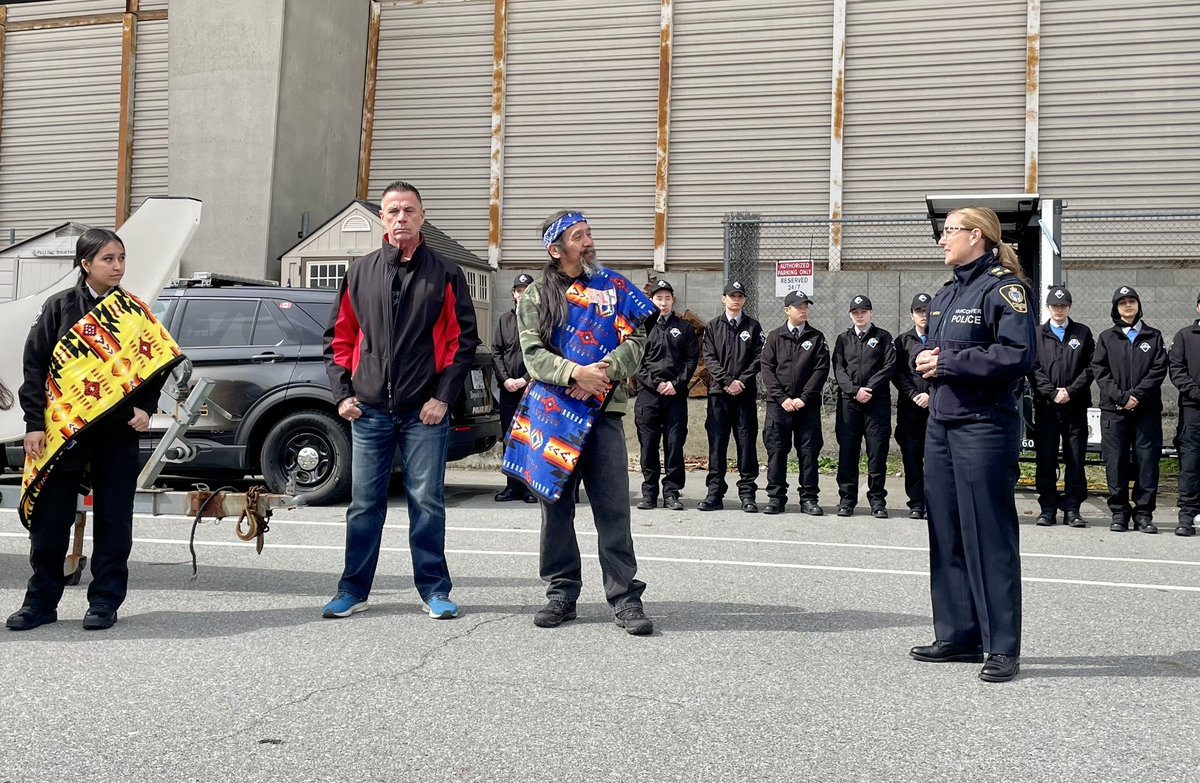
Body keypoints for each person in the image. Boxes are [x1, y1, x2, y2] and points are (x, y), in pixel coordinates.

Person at [8, 228, 182, 631]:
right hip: (63, 430)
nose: (117, 266)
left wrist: (145, 406)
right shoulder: (60, 307)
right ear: (85, 263)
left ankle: (104, 601)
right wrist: (33, 424)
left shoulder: (133, 311)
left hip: (117, 432)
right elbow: (34, 366)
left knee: (114, 521)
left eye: (121, 258)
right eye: (108, 259)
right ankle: (40, 603)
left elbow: (158, 360)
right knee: (50, 522)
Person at [322, 181, 480, 620]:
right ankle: (353, 590)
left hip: (423, 412)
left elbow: (462, 342)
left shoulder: (445, 273)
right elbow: (339, 338)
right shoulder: (360, 272)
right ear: (382, 219)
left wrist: (442, 398)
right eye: (393, 211)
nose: (401, 218)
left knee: (426, 503)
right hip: (369, 410)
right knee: (363, 506)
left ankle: (434, 590)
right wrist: (343, 395)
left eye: (409, 210)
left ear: (422, 216)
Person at [909, 206, 1036, 684]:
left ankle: (1001, 645)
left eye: (949, 232)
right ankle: (958, 635)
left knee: (988, 534)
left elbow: (1017, 353)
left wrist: (948, 362)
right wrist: (926, 357)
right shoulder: (946, 294)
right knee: (946, 530)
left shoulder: (1004, 288)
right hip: (942, 423)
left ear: (977, 236)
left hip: (983, 425)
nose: (942, 240)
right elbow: (937, 350)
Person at [516, 209, 654, 635]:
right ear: (556, 250)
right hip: (554, 417)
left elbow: (637, 340)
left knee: (613, 508)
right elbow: (533, 355)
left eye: (589, 233)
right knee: (555, 508)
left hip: (603, 413)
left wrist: (603, 373)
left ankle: (625, 597)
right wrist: (575, 373)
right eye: (578, 236)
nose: (589, 242)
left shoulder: (613, 287)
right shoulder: (536, 296)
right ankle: (561, 593)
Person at [1091, 286, 1168, 534]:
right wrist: (1121, 397)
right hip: (1114, 412)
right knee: (1116, 462)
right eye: (1122, 302)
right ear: (1115, 308)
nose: (1127, 305)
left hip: (1146, 412)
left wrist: (1136, 396)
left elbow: (1158, 370)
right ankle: (1120, 513)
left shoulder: (1153, 336)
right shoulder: (1107, 337)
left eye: (1131, 301)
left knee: (1147, 462)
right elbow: (1100, 370)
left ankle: (1144, 514)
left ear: (1138, 305)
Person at [1028, 285, 1095, 528]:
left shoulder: (1082, 333)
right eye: (1055, 306)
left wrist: (1070, 391)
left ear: (1069, 307)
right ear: (1048, 307)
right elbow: (1032, 367)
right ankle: (1047, 508)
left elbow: (1091, 367)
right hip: (1047, 406)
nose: (1059, 310)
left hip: (1075, 405)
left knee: (1075, 457)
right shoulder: (1037, 333)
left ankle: (1072, 508)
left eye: (1063, 305)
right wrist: (1052, 392)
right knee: (1046, 457)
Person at [759, 290, 830, 515]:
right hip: (778, 406)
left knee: (808, 452)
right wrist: (782, 398)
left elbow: (821, 369)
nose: (803, 310)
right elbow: (767, 369)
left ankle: (808, 498)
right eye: (799, 307)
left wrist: (804, 398)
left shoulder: (816, 337)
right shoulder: (774, 337)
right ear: (786, 310)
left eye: (805, 306)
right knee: (777, 450)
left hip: (806, 406)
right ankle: (776, 497)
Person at [634, 279, 698, 511]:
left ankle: (671, 492)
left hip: (675, 396)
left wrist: (675, 384)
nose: (663, 303)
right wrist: (655, 384)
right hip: (649, 395)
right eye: (659, 298)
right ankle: (649, 492)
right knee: (648, 445)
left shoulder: (684, 328)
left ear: (673, 301)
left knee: (674, 444)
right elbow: (636, 361)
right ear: (651, 300)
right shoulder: (641, 328)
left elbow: (691, 360)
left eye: (667, 298)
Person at [701, 280, 763, 513]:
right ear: (723, 299)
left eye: (740, 296)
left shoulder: (753, 326)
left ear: (744, 300)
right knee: (717, 444)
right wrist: (727, 381)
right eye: (732, 296)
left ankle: (747, 494)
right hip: (719, 394)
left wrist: (741, 381)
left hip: (744, 395)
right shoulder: (713, 326)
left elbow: (759, 357)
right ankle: (714, 493)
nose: (736, 300)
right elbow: (709, 358)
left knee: (746, 444)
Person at [832, 295, 895, 518]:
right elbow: (838, 368)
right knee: (848, 451)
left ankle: (877, 501)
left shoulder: (883, 337)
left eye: (863, 312)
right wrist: (854, 390)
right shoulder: (843, 339)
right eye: (855, 312)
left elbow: (889, 366)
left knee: (877, 452)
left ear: (871, 313)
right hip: (849, 403)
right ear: (850, 315)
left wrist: (869, 389)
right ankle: (846, 500)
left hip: (876, 403)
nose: (859, 316)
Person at [493, 273, 537, 504]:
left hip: (532, 390)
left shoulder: (541, 320)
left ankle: (529, 487)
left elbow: (545, 354)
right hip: (508, 390)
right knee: (510, 438)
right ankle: (512, 486)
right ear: (514, 294)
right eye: (519, 291)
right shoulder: (505, 320)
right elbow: (496, 352)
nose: (523, 294)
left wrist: (526, 379)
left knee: (529, 439)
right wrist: (506, 380)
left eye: (527, 290)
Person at [892, 292, 933, 520]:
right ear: (911, 315)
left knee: (935, 459)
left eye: (927, 310)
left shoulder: (940, 338)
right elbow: (897, 373)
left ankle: (933, 503)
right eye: (919, 311)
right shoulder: (903, 341)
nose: (923, 315)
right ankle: (916, 502)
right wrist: (915, 394)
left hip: (935, 408)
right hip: (910, 409)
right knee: (911, 457)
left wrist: (930, 395)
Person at [1168, 292, 1200, 537]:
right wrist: (1197, 393)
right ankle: (1187, 516)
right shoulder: (1185, 336)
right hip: (1193, 412)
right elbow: (1177, 370)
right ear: (1198, 307)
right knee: (1190, 464)